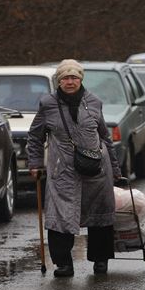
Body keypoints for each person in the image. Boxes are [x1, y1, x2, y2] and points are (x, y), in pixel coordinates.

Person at [27, 59, 121, 277]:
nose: (70, 82)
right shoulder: (47, 104)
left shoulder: (94, 102)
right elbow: (35, 136)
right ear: (58, 81)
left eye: (74, 77)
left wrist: (115, 169)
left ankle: (100, 260)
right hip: (64, 171)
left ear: (81, 79)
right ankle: (63, 264)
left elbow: (105, 138)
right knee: (61, 216)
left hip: (97, 169)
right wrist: (35, 162)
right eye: (65, 78)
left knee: (100, 215)